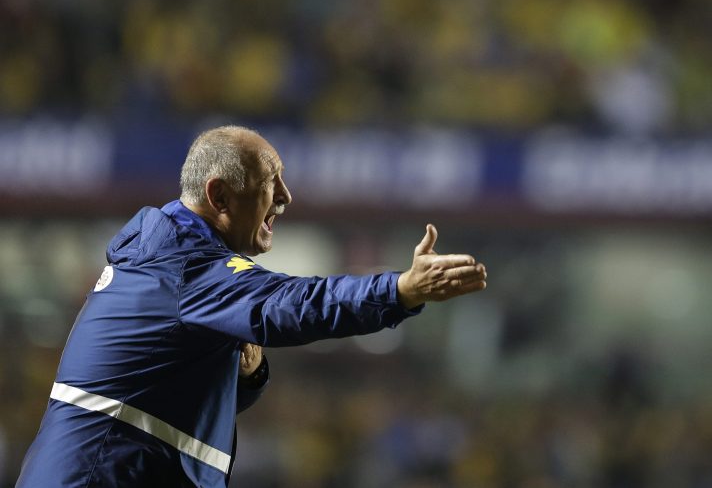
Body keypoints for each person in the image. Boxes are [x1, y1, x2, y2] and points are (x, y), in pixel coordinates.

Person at [15, 126, 487, 488]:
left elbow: (177, 400)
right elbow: (292, 304)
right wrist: (398, 290)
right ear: (219, 195)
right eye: (270, 181)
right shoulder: (186, 268)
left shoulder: (176, 267)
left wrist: (246, 376)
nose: (285, 196)